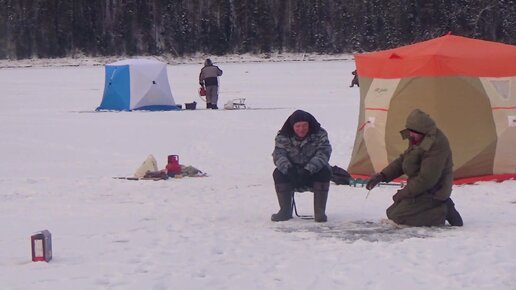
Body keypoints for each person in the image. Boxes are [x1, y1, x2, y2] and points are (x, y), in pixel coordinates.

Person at [366, 109, 463, 227]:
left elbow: (426, 179)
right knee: (391, 212)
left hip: (434, 191)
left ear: (423, 131)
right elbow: (404, 160)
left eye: (413, 132)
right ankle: (433, 207)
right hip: (421, 189)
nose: (410, 135)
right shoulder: (418, 138)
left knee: (399, 216)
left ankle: (442, 210)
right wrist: (382, 176)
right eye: (409, 131)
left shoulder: (436, 145)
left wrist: (403, 194)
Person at [271, 110, 332, 222]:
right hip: (292, 173)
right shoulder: (283, 136)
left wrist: (308, 170)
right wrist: (289, 170)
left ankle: (320, 213)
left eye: (304, 125)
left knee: (325, 171)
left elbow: (324, 153)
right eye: (298, 126)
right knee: (278, 173)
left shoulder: (320, 134)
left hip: (313, 172)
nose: (301, 129)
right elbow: (278, 155)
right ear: (292, 126)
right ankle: (285, 211)